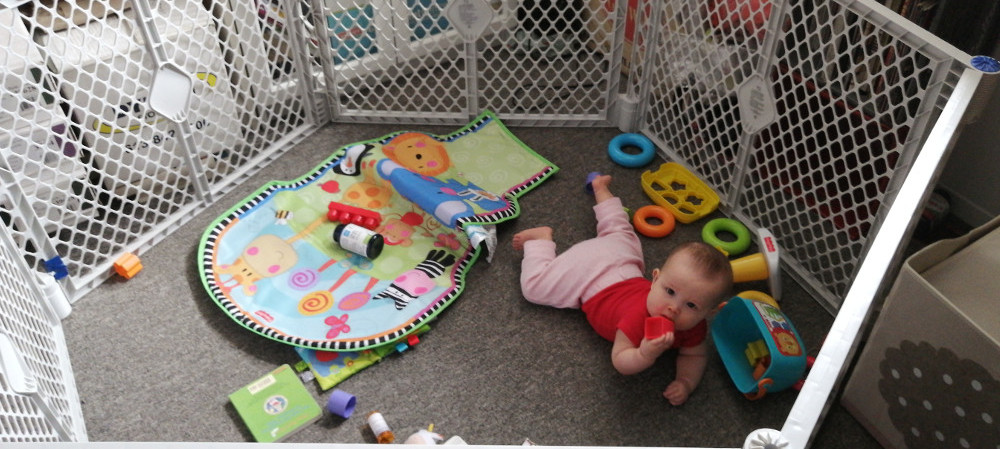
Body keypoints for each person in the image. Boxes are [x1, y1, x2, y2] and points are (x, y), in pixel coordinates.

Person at [512, 174, 733, 405]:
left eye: (691, 305)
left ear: (708, 312)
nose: (673, 308)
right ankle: (539, 241)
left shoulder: (695, 328)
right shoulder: (637, 318)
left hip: (623, 256)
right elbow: (620, 360)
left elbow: (695, 354)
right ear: (655, 279)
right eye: (670, 292)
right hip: (588, 273)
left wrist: (686, 382)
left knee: (619, 229)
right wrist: (644, 353)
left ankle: (601, 189)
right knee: (533, 288)